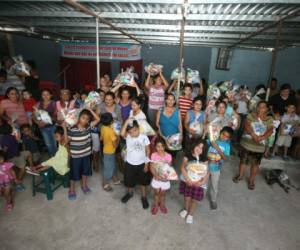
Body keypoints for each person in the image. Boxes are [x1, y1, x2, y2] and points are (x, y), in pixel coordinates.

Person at [233, 101, 273, 190]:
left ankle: (251, 180)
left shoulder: (269, 119)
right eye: (259, 107)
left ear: (267, 109)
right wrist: (254, 135)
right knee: (243, 161)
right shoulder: (251, 115)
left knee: (255, 164)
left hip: (259, 146)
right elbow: (247, 125)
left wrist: (262, 137)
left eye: (263, 107)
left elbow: (270, 130)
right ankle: (240, 176)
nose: (260, 109)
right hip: (247, 144)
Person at [67, 109, 100, 200]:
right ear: (79, 118)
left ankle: (84, 186)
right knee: (73, 174)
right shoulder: (72, 129)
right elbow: (66, 142)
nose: (85, 120)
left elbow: (98, 119)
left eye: (87, 119)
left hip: (86, 155)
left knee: (85, 172)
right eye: (83, 118)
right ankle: (72, 189)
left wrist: (89, 109)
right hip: (75, 156)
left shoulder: (88, 127)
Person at [120, 119, 151, 209]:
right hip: (130, 163)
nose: (133, 133)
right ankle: (130, 193)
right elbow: (122, 134)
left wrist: (146, 164)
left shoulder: (144, 137)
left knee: (143, 181)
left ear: (138, 128)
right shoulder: (128, 136)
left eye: (135, 130)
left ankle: (144, 197)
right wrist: (126, 122)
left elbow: (148, 151)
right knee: (129, 180)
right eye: (130, 132)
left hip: (141, 163)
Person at [179, 138, 210, 224]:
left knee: (194, 200)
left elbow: (207, 172)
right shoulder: (188, 155)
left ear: (204, 150)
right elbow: (182, 167)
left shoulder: (204, 159)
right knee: (186, 197)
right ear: (194, 145)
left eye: (202, 148)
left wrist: (202, 182)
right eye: (198, 146)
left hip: (198, 183)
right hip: (187, 181)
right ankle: (185, 209)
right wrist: (188, 179)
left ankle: (190, 214)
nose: (199, 149)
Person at [0, 122, 33, 191]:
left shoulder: (6, 137)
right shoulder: (7, 138)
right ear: (9, 129)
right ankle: (18, 183)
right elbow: (4, 150)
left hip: (17, 154)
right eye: (11, 128)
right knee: (23, 168)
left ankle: (31, 167)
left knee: (29, 153)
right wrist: (3, 159)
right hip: (14, 157)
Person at [207, 126, 233, 210]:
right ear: (220, 132)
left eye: (227, 137)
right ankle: (199, 195)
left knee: (214, 185)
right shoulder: (212, 139)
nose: (224, 137)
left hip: (216, 168)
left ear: (229, 138)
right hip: (206, 166)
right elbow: (203, 147)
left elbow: (226, 159)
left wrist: (217, 148)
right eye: (223, 134)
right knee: (203, 182)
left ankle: (213, 200)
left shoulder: (227, 146)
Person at [149, 137, 172, 215]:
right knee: (156, 193)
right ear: (155, 147)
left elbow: (169, 169)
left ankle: (162, 205)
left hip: (165, 179)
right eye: (158, 146)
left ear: (164, 146)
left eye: (162, 146)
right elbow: (151, 166)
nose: (160, 148)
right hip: (156, 178)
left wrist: (166, 176)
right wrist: (155, 175)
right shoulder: (153, 155)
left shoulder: (168, 156)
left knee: (162, 194)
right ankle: (156, 205)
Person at [33, 89, 57, 156]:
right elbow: (33, 116)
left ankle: (56, 157)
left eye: (47, 94)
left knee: (54, 142)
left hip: (53, 126)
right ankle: (51, 156)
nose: (45, 96)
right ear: (41, 96)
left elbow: (56, 116)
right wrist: (38, 123)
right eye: (44, 94)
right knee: (48, 143)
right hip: (43, 127)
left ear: (51, 95)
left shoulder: (54, 103)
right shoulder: (38, 104)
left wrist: (46, 122)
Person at [100, 112, 120, 192]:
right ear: (111, 121)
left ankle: (115, 179)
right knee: (108, 168)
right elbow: (115, 145)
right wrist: (118, 137)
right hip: (110, 152)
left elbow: (101, 138)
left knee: (113, 165)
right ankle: (105, 183)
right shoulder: (111, 132)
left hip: (105, 150)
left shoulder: (102, 127)